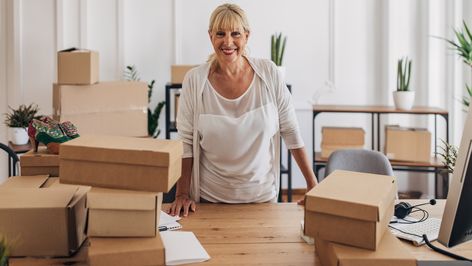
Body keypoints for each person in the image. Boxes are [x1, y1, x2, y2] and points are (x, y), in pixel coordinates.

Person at [168, 3, 317, 216]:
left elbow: (291, 132)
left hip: (262, 200)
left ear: (246, 36)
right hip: (209, 201)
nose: (228, 42)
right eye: (220, 33)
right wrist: (181, 194)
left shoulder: (269, 73)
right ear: (211, 36)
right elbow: (186, 143)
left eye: (235, 33)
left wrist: (312, 184)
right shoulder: (194, 80)